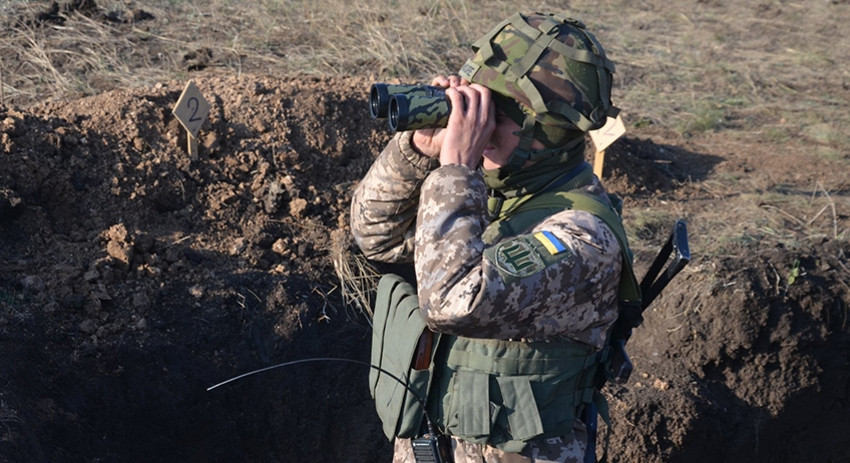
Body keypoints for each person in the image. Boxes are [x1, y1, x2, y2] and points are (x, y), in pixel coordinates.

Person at [351, 12, 635, 463]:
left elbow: (453, 302)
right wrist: (418, 152)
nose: (476, 125)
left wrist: (457, 170)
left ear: (545, 134)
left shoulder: (583, 237)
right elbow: (376, 236)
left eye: (494, 115)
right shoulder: (488, 195)